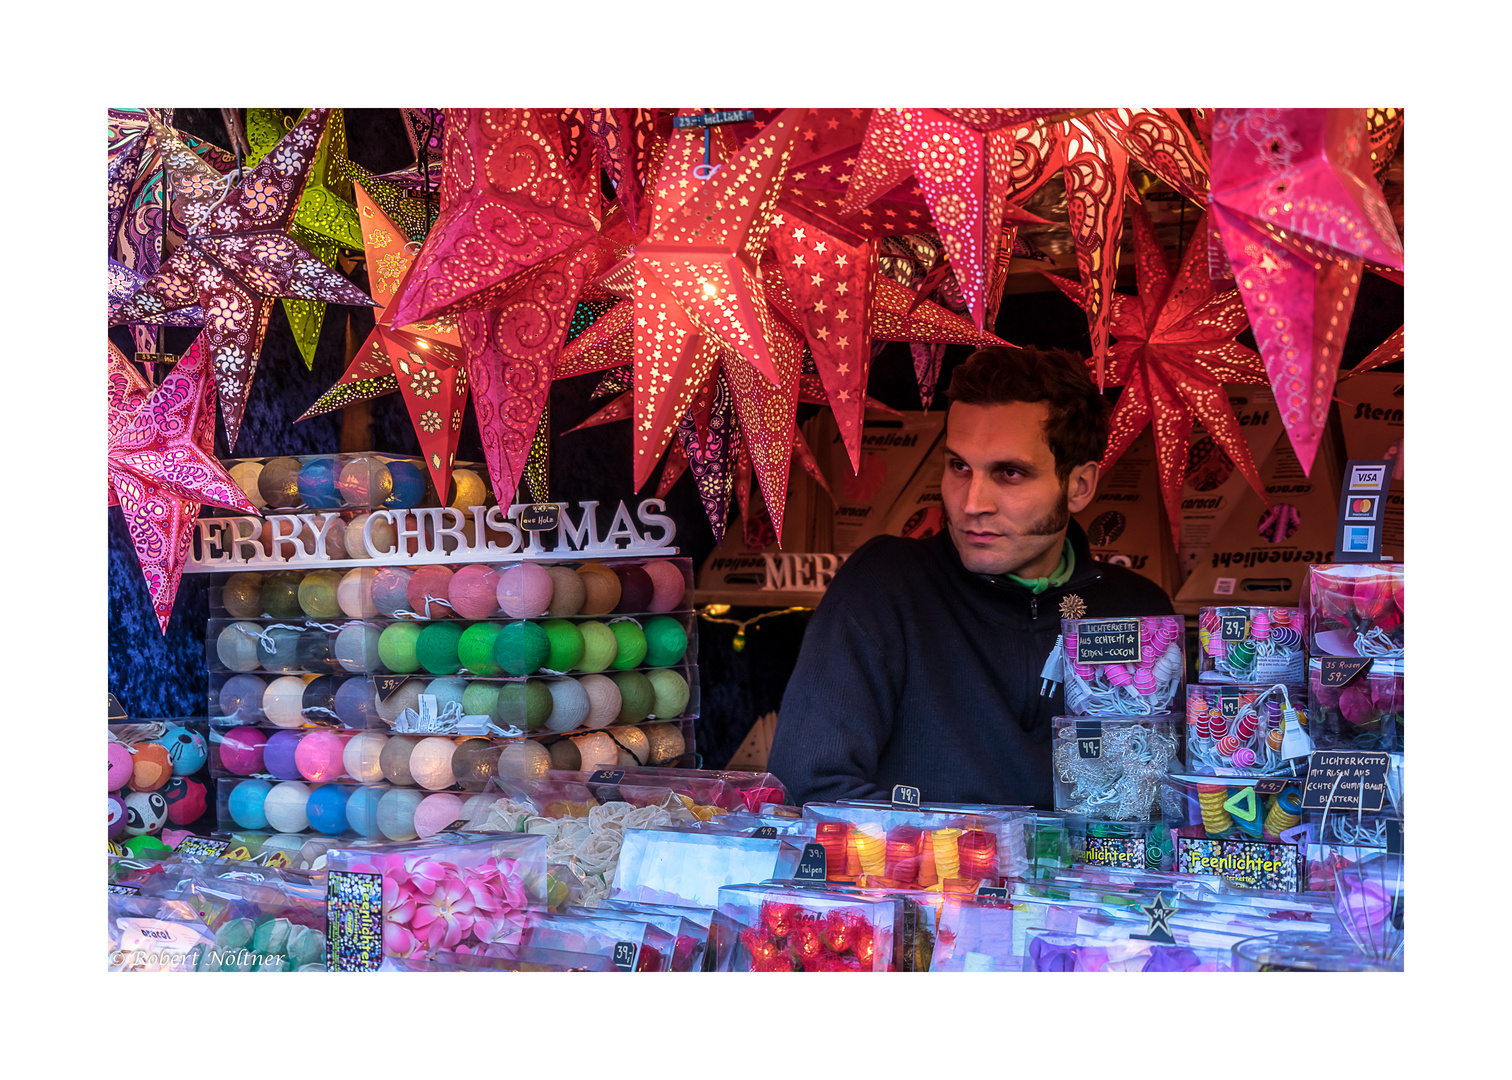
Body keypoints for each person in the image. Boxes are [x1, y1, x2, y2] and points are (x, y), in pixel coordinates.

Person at [768, 345, 1174, 809]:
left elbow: (1160, 802)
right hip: (920, 880)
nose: (971, 502)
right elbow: (810, 788)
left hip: (1097, 881)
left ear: (1079, 486)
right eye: (959, 466)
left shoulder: (1138, 610)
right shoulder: (885, 585)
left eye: (1010, 473)